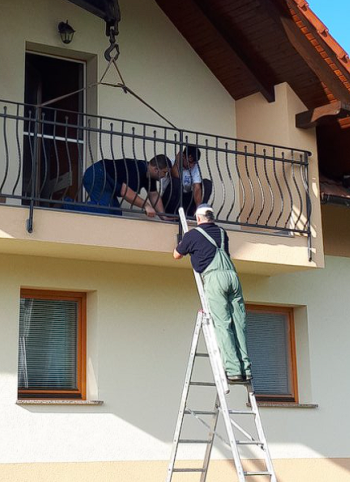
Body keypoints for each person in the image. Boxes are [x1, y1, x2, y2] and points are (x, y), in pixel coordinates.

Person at [172, 203, 252, 384]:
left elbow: (176, 255)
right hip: (233, 277)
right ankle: (246, 370)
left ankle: (233, 371)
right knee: (239, 323)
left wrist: (184, 243)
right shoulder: (222, 233)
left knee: (223, 324)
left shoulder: (192, 234)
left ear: (198, 218)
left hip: (215, 278)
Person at [82, 156, 172, 217]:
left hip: (107, 182)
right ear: (156, 169)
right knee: (104, 209)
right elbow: (125, 192)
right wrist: (146, 205)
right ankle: (72, 207)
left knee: (116, 213)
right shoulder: (138, 169)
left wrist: (163, 216)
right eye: (165, 172)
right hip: (97, 173)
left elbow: (154, 195)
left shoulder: (149, 176)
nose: (165, 176)